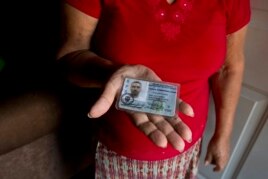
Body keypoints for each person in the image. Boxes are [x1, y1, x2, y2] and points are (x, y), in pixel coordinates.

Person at [56, 0, 251, 178]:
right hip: (119, 148)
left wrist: (223, 136)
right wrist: (109, 73)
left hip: (186, 143)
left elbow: (230, 67)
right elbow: (70, 55)